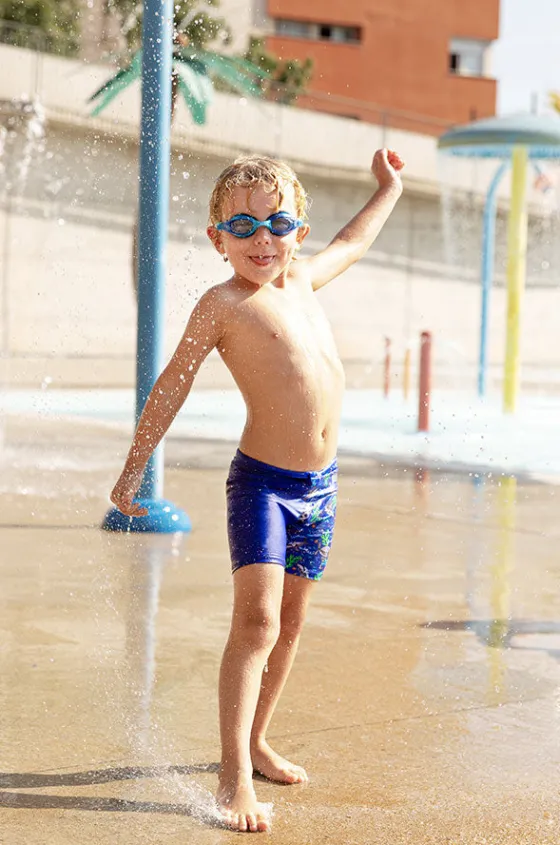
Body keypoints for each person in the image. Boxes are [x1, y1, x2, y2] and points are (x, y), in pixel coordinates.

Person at [110, 148, 404, 833]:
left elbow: (354, 242)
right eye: (242, 227)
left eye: (277, 223)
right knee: (257, 624)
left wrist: (389, 188)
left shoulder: (303, 280)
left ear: (298, 230)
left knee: (291, 623)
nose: (261, 238)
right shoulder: (223, 305)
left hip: (320, 487)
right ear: (218, 239)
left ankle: (258, 740)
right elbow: (173, 384)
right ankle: (232, 775)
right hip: (264, 487)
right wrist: (134, 469)